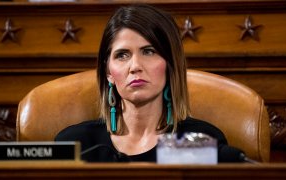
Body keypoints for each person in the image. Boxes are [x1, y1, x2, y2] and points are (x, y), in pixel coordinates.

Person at [55, 4, 229, 162]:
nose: (135, 66)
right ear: (108, 72)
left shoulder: (198, 141)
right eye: (122, 55)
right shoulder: (75, 143)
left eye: (148, 51)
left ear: (170, 65)